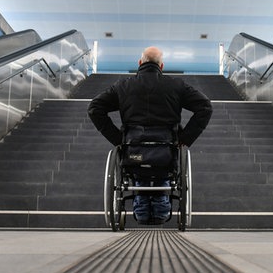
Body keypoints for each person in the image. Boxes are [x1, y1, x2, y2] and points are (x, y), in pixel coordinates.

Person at [88, 46, 212, 225]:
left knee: (138, 172)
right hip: (166, 152)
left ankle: (142, 206)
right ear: (161, 66)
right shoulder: (176, 85)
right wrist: (184, 139)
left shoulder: (123, 86)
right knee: (162, 170)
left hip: (133, 151)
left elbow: (94, 108)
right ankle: (160, 207)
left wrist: (118, 139)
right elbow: (205, 107)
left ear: (140, 63)